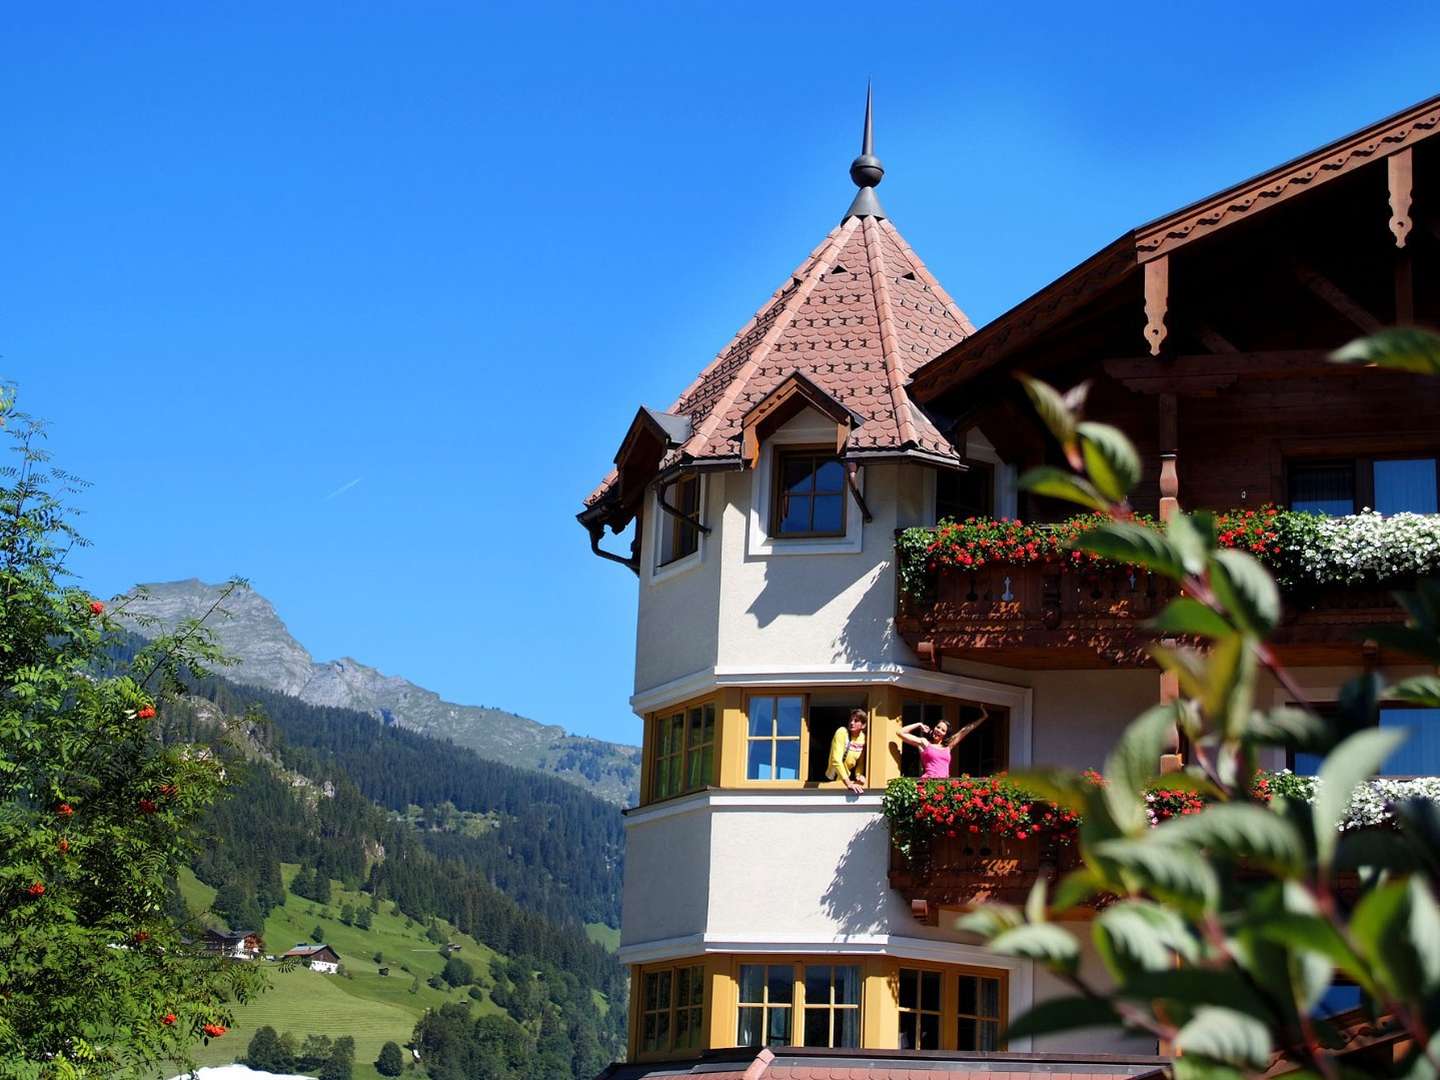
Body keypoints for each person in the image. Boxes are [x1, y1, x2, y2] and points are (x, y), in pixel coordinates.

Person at [898, 709, 988, 779]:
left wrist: (983, 717)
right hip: (928, 784)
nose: (939, 730)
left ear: (945, 734)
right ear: (934, 727)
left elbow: (965, 730)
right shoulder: (925, 743)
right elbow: (900, 732)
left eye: (943, 730)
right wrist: (918, 724)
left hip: (943, 785)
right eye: (938, 727)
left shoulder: (948, 746)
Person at [826, 708, 868, 794]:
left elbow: (860, 762)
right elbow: (836, 760)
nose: (852, 723)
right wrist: (849, 784)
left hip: (845, 779)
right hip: (833, 779)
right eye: (851, 720)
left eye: (856, 721)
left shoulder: (863, 738)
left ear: (863, 725)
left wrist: (859, 776)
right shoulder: (842, 732)